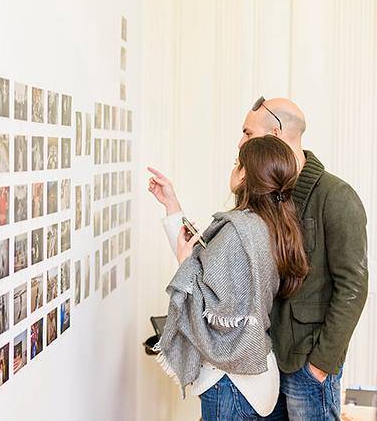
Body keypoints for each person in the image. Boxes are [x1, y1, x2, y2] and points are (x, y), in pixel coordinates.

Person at [149, 97, 368, 420]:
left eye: (247, 133)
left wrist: (321, 363)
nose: (241, 142)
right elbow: (216, 262)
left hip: (305, 363)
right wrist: (173, 209)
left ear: (274, 135)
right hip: (263, 361)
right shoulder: (260, 206)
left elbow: (353, 287)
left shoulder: (335, 196)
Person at [149, 136, 308, 419]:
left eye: (237, 163)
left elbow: (211, 303)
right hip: (258, 373)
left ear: (245, 174)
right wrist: (171, 205)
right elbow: (208, 267)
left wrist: (185, 262)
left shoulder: (237, 232)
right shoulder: (274, 225)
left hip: (230, 383)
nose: (234, 168)